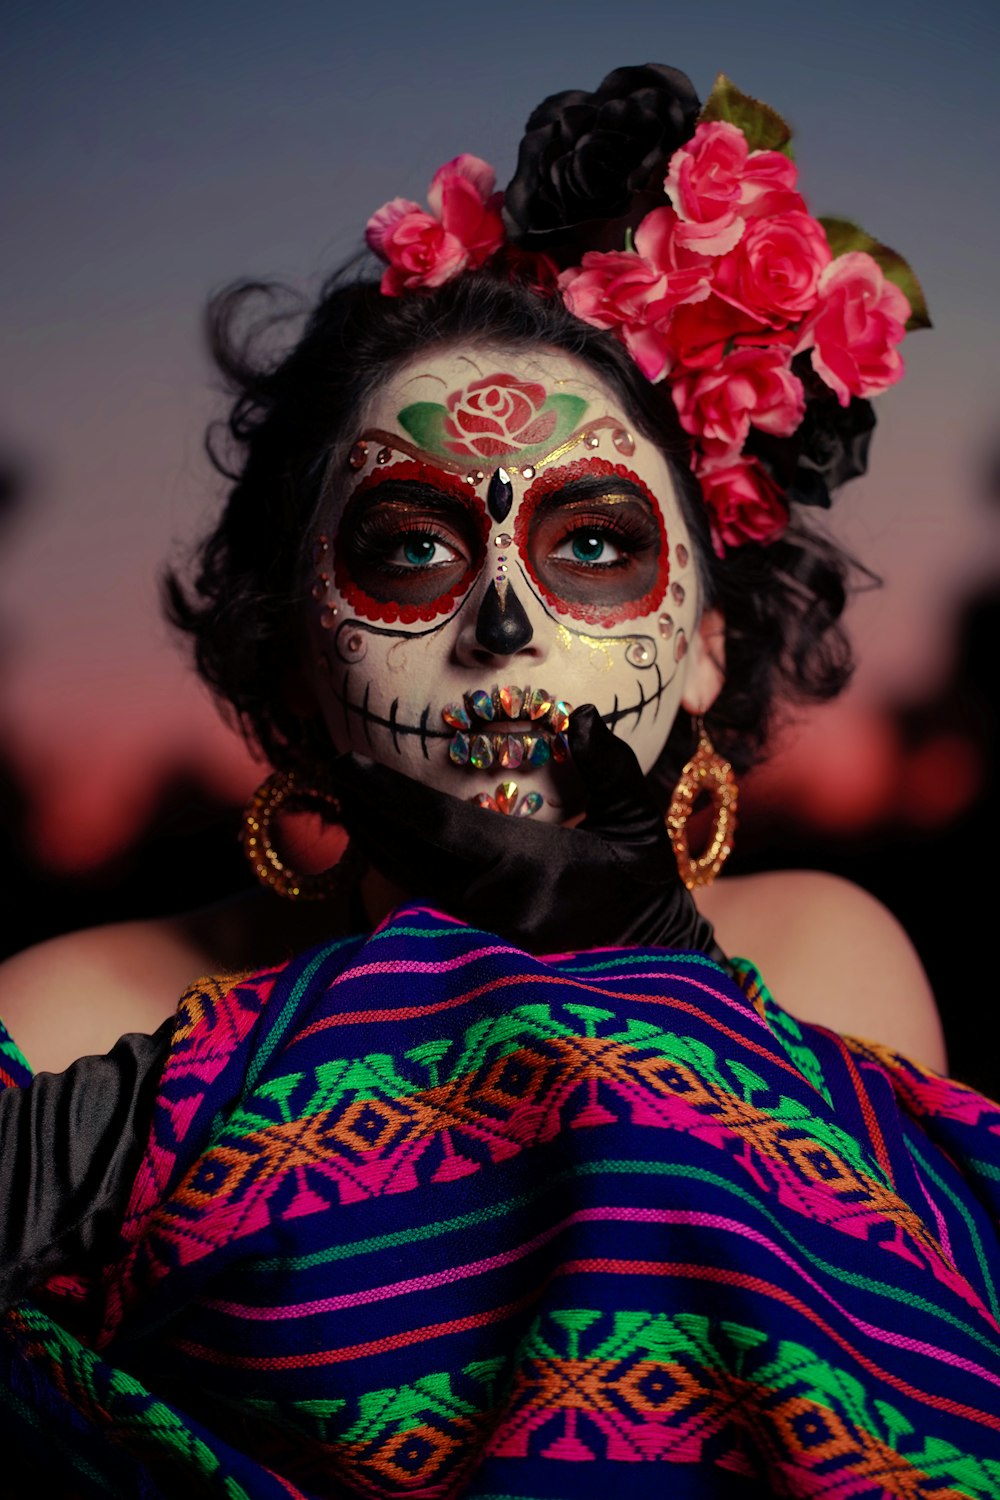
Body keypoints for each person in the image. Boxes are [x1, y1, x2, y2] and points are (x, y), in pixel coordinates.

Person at [1, 62, 996, 1499]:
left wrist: (652, 966)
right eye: (411, 549)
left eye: (594, 544)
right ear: (294, 671)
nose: (506, 627)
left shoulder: (829, 958)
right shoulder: (61, 1028)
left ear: (709, 647)